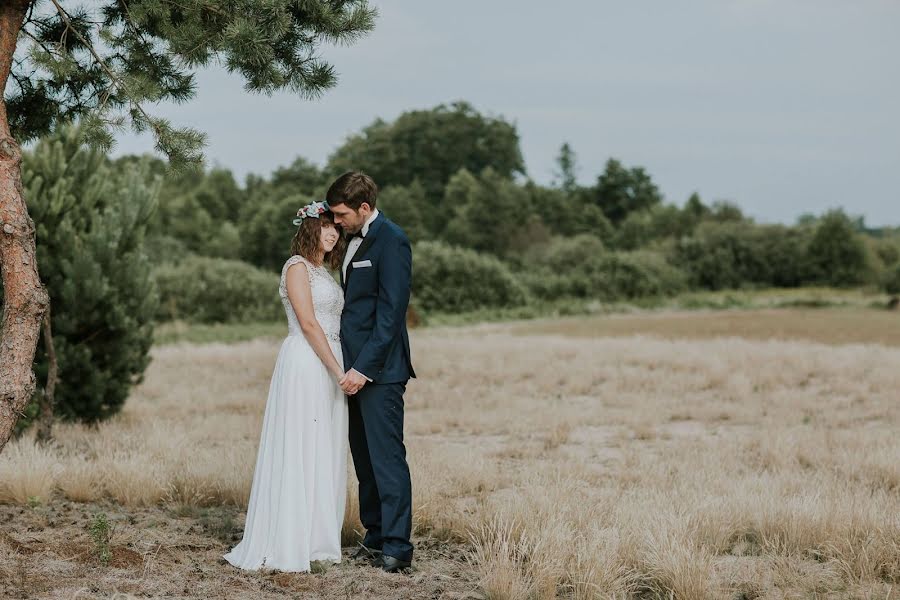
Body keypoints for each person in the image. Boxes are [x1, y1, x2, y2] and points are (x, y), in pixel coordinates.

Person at [223, 201, 349, 572]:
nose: (332, 233)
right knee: (300, 445)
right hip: (309, 362)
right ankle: (287, 539)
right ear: (310, 228)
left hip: (329, 360)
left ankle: (316, 539)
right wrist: (337, 370)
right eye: (326, 226)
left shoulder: (324, 272)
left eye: (336, 228)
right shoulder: (296, 267)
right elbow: (309, 324)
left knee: (323, 446)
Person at [328, 172, 417, 573]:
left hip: (379, 372)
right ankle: (376, 534)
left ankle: (398, 546)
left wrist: (363, 369)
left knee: (386, 459)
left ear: (365, 208)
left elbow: (390, 315)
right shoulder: (349, 236)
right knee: (363, 460)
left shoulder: (392, 240)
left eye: (342, 214)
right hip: (350, 372)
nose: (337, 221)